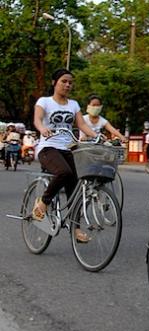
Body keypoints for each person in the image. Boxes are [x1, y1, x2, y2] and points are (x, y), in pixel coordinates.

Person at [31, 69, 99, 242]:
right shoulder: (44, 102)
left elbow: (82, 124)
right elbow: (37, 119)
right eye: (64, 81)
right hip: (48, 148)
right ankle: (43, 203)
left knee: (76, 184)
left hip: (68, 148)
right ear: (54, 82)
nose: (68, 85)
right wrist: (42, 129)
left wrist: (96, 135)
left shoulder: (73, 104)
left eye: (70, 82)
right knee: (64, 172)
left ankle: (75, 229)